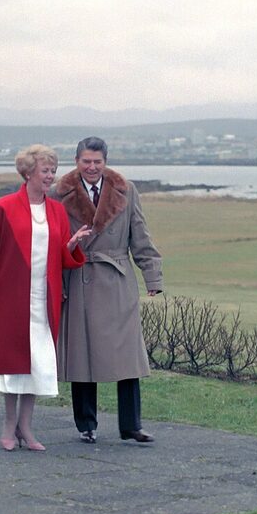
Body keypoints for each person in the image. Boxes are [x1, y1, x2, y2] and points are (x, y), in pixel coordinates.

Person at [0, 144, 91, 452]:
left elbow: (60, 256)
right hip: (10, 299)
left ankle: (26, 427)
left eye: (52, 170)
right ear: (28, 173)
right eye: (45, 171)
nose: (50, 176)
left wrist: (71, 244)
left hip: (43, 300)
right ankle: (9, 428)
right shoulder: (3, 208)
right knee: (14, 365)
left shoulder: (56, 210)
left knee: (39, 364)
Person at [50, 136, 163, 444]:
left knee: (128, 357)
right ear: (76, 161)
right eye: (86, 161)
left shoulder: (126, 190)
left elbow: (140, 235)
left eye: (97, 162)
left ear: (106, 162)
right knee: (82, 357)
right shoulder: (58, 193)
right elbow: (48, 243)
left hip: (116, 281)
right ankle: (86, 425)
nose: (92, 167)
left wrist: (153, 278)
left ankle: (131, 426)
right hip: (78, 277)